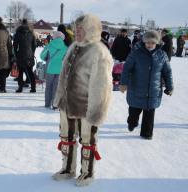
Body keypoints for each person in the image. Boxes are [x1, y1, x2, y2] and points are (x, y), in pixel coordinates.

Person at [52, 14, 113, 186]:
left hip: (87, 106)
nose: (77, 31)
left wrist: (96, 111)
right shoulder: (73, 47)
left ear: (91, 30)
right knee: (66, 136)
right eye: (76, 28)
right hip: (67, 104)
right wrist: (59, 98)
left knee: (88, 139)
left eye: (81, 28)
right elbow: (63, 76)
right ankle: (67, 168)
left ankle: (87, 173)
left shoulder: (98, 52)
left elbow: (102, 86)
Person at [120, 30, 174, 140]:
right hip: (136, 89)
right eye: (148, 42)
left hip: (153, 91)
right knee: (134, 113)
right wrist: (123, 83)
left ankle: (147, 133)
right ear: (144, 42)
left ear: (157, 43)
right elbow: (126, 68)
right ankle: (132, 123)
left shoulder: (162, 55)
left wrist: (170, 87)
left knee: (149, 113)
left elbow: (167, 72)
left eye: (153, 43)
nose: (150, 44)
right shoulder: (135, 53)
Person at [40, 31, 67, 109]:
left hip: (50, 68)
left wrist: (47, 59)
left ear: (54, 37)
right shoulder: (65, 48)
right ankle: (55, 105)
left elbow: (42, 56)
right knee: (56, 87)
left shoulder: (49, 46)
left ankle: (47, 104)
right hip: (60, 69)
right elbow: (67, 58)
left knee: (48, 86)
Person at [13, 19, 37, 93]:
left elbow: (15, 45)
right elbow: (34, 45)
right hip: (29, 55)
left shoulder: (18, 33)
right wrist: (32, 53)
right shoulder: (31, 33)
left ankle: (20, 88)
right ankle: (33, 88)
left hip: (20, 54)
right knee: (30, 72)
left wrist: (17, 54)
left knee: (20, 72)